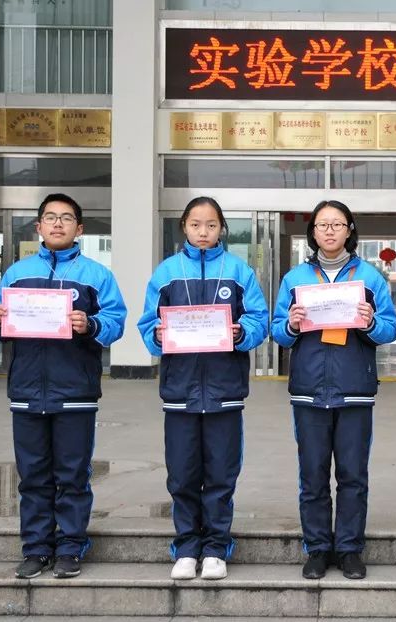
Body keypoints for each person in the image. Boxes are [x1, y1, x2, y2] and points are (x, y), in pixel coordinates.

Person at [0, 193, 127, 580]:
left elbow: (116, 322)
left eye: (66, 218)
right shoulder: (16, 273)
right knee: (32, 476)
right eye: (50, 217)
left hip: (75, 393)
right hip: (27, 391)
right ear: (39, 227)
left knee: (73, 475)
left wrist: (91, 325)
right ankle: (35, 549)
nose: (58, 223)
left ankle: (70, 547)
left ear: (79, 228)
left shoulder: (97, 275)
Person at [137, 196, 269, 581]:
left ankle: (215, 547)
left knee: (221, 474)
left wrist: (241, 331)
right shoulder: (166, 273)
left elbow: (259, 320)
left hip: (225, 390)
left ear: (221, 228)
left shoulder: (239, 271)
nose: (203, 232)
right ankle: (186, 545)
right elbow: (148, 325)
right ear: (184, 227)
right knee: (181, 474)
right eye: (196, 224)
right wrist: (158, 335)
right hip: (179, 391)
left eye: (211, 225)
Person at [270, 200, 396, 580]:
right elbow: (277, 331)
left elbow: (389, 329)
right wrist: (291, 325)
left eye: (337, 224)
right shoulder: (295, 279)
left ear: (349, 230)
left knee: (353, 475)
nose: (329, 231)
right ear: (312, 232)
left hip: (354, 389)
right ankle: (317, 548)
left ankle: (349, 549)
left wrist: (370, 321)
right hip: (309, 390)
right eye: (322, 224)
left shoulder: (370, 278)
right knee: (312, 475)